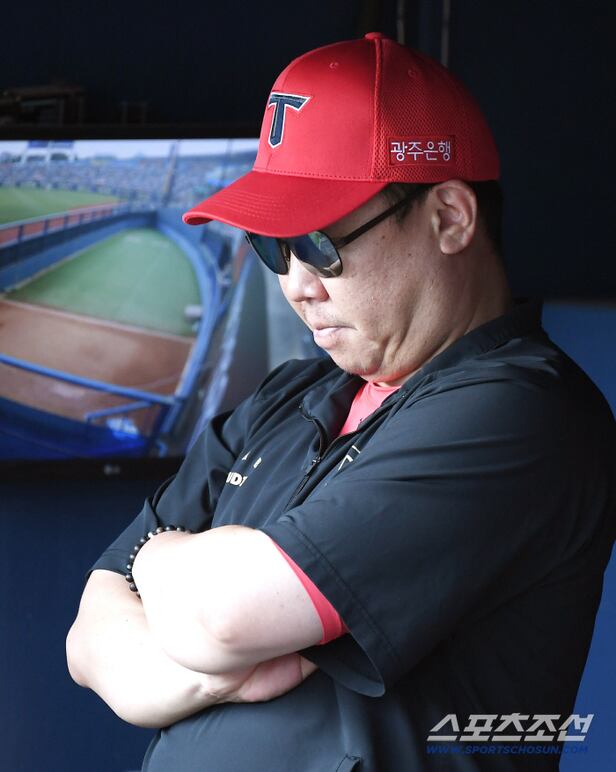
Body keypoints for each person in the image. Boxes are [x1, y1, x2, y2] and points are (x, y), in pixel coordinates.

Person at [66, 33, 616, 771]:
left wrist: (159, 554)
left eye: (321, 243)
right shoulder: (286, 396)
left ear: (450, 218)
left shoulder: (522, 412)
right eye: (273, 246)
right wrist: (202, 675)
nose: (296, 283)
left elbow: (220, 618)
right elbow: (88, 639)